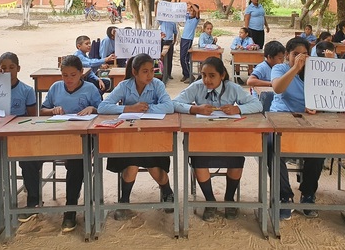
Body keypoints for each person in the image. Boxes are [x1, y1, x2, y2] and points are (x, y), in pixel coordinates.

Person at [172, 57, 262, 222]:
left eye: (212, 75)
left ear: (222, 75)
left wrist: (238, 108)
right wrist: (194, 108)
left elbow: (258, 105)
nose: (207, 80)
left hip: (228, 138)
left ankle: (229, 199)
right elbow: (174, 103)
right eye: (204, 75)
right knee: (199, 160)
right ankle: (210, 200)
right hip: (202, 138)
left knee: (237, 158)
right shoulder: (197, 87)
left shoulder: (232, 88)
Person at [98, 53, 175, 220]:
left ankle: (167, 191)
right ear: (134, 72)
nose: (149, 75)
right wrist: (128, 108)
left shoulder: (157, 85)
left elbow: (169, 107)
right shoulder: (124, 86)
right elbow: (103, 107)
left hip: (151, 136)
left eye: (152, 71)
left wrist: (145, 109)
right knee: (132, 164)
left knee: (154, 166)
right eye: (145, 71)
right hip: (128, 137)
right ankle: (124, 200)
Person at [40, 55, 101, 232]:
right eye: (64, 75)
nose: (68, 79)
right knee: (29, 156)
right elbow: (42, 110)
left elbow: (104, 110)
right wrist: (52, 110)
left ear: (81, 73)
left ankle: (71, 208)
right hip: (58, 136)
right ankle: (33, 202)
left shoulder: (90, 89)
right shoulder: (55, 88)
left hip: (82, 138)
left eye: (73, 75)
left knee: (76, 163)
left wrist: (93, 108)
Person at [270, 37, 323, 220]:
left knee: (318, 149)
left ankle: (308, 194)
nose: (300, 58)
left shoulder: (314, 72)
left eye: (305, 55)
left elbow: (324, 95)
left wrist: (316, 106)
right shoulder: (280, 68)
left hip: (306, 122)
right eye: (295, 54)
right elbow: (277, 88)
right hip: (281, 119)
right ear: (287, 55)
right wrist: (295, 68)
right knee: (272, 148)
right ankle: (285, 196)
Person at [0, 52, 40, 222]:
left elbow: (32, 118)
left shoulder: (26, 90)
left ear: (18, 68)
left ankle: (33, 201)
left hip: (19, 135)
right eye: (3, 68)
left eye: (12, 68)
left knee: (28, 161)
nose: (8, 71)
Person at [180, 3, 200, 83]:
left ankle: (190, 75)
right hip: (183, 38)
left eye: (192, 10)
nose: (191, 12)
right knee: (182, 58)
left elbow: (198, 10)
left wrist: (191, 4)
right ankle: (185, 74)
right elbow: (183, 12)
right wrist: (188, 7)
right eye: (190, 10)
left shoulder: (196, 19)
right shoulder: (188, 18)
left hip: (188, 40)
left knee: (184, 58)